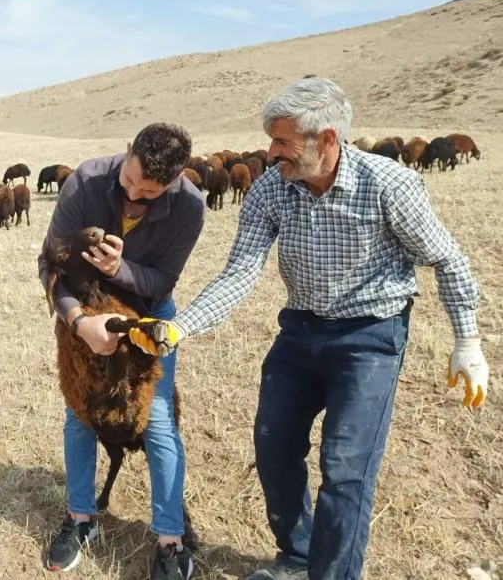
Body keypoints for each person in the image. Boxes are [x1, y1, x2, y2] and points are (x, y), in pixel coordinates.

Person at [153, 77, 489, 580]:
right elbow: (241, 270)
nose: (271, 153)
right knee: (273, 448)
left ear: (326, 140)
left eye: (283, 142)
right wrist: (180, 328)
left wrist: (467, 341)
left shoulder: (388, 185)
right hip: (300, 331)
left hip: (370, 339)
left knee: (346, 469)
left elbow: (446, 258)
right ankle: (296, 556)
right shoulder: (271, 188)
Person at [37, 122, 205, 580]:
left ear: (174, 180)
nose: (133, 194)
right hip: (84, 308)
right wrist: (79, 322)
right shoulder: (86, 182)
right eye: (129, 180)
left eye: (149, 191)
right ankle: (79, 517)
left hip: (147, 315)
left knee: (158, 416)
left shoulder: (190, 207)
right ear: (127, 150)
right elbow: (50, 262)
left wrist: (121, 268)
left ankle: (171, 541)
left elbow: (162, 282)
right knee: (79, 411)